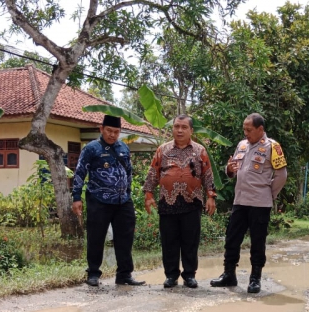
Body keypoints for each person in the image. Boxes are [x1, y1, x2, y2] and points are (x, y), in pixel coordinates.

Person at [210, 113, 288, 294]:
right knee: (232, 238)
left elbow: (281, 176)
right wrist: (229, 170)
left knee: (257, 242)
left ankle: (255, 278)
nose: (245, 133)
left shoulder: (273, 147)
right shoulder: (242, 145)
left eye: (249, 130)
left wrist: (269, 194)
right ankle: (229, 274)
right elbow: (233, 170)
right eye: (244, 129)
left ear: (260, 129)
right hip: (240, 201)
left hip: (260, 203)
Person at [143, 115, 217, 289]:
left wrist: (211, 197)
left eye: (184, 127)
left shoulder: (200, 151)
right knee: (169, 241)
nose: (180, 130)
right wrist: (148, 195)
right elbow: (153, 173)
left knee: (190, 241)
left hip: (192, 202)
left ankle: (189, 275)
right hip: (167, 202)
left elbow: (207, 175)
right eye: (176, 126)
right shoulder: (163, 150)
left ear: (191, 130)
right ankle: (171, 276)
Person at [72, 115, 145, 287]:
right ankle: (93, 274)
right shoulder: (91, 149)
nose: (112, 135)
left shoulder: (124, 148)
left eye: (116, 132)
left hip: (123, 201)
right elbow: (80, 172)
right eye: (109, 131)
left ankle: (124, 275)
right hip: (98, 199)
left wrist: (127, 192)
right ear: (101, 129)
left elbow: (129, 172)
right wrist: (76, 197)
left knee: (125, 238)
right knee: (96, 237)